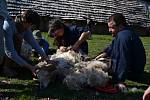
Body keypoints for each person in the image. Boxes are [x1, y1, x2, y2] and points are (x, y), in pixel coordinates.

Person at [95, 13, 146, 90]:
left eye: (112, 28)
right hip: (135, 69)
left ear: (121, 26)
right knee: (99, 60)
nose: (109, 30)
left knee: (99, 65)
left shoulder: (123, 36)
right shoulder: (125, 33)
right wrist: (100, 55)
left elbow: (123, 58)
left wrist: (119, 80)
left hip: (132, 72)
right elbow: (111, 48)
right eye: (109, 27)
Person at [2, 9, 48, 76]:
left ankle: (13, 64)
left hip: (12, 52)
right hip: (3, 50)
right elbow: (10, 52)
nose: (30, 27)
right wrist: (30, 67)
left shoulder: (25, 26)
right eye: (30, 25)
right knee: (16, 39)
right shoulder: (8, 25)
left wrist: (44, 56)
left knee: (31, 64)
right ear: (26, 22)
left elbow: (34, 43)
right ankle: (5, 67)